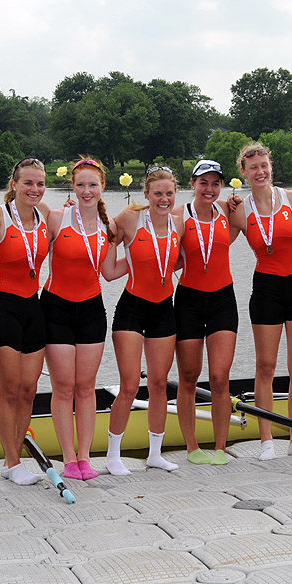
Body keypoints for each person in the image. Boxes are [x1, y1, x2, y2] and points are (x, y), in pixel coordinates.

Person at [227, 143, 292, 460]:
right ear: (244, 172)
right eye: (254, 168)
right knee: (265, 367)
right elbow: (210, 237)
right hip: (265, 287)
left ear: (270, 167)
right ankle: (267, 441)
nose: (260, 171)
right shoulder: (237, 210)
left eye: (264, 165)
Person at [41, 158, 121, 480]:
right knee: (63, 386)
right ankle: (68, 459)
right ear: (72, 187)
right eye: (80, 185)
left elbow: (110, 272)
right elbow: (27, 246)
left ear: (102, 187)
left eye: (93, 185)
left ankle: (86, 457)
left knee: (86, 387)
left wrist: (152, 260)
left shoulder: (110, 226)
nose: (86, 191)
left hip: (91, 309)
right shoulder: (57, 218)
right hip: (56, 308)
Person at [104, 165, 184, 473]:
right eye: (157, 194)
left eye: (169, 193)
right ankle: (113, 456)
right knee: (129, 384)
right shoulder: (129, 219)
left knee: (159, 383)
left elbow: (178, 259)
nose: (163, 199)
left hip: (164, 307)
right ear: (146, 194)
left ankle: (155, 454)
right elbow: (109, 271)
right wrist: (120, 254)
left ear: (175, 194)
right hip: (132, 309)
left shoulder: (180, 223)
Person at [0, 157, 50, 485]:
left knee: (29, 389)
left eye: (39, 183)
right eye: (28, 183)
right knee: (8, 390)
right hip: (0, 308)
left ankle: (13, 460)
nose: (34, 189)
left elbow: (93, 218)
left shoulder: (46, 215)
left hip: (32, 307)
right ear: (14, 185)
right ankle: (12, 461)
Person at [174, 160, 239, 465]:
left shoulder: (228, 211)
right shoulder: (177, 216)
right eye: (203, 183)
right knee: (188, 376)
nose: (209, 189)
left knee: (220, 377)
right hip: (188, 300)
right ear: (192, 184)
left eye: (215, 183)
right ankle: (191, 447)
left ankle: (221, 448)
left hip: (222, 300)